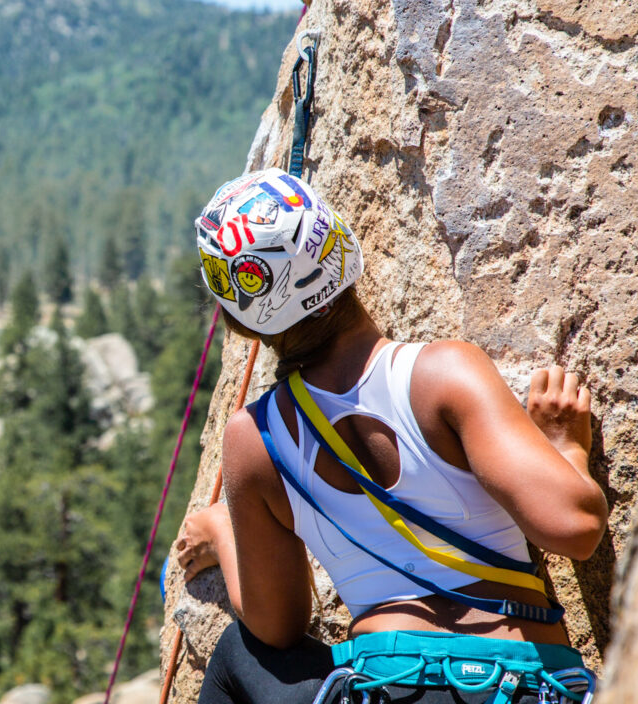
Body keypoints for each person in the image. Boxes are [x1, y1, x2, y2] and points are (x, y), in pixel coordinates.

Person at [179, 168, 607, 704]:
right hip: (522, 687)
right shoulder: (443, 375)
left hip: (388, 691)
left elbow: (275, 629)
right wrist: (565, 447)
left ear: (240, 319)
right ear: (341, 245)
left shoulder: (256, 438)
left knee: (236, 655)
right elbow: (576, 527)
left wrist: (224, 531)